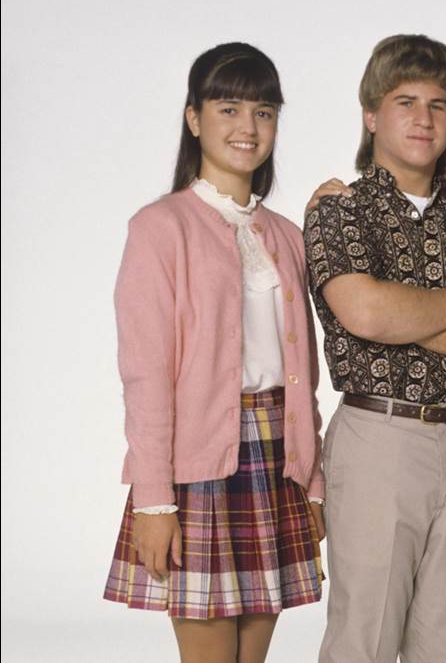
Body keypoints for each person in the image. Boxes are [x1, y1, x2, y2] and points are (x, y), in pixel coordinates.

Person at [304, 34, 446, 663]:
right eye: (405, 102)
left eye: (438, 105)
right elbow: (365, 313)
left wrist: (399, 312)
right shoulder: (340, 210)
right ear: (372, 115)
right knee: (365, 639)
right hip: (380, 438)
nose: (424, 119)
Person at [103, 42, 325, 663]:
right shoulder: (160, 228)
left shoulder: (287, 235)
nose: (247, 127)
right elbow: (146, 377)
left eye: (263, 112)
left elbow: (304, 376)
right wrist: (155, 499)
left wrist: (313, 482)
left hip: (277, 458)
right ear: (194, 118)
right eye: (228, 109)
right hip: (197, 469)